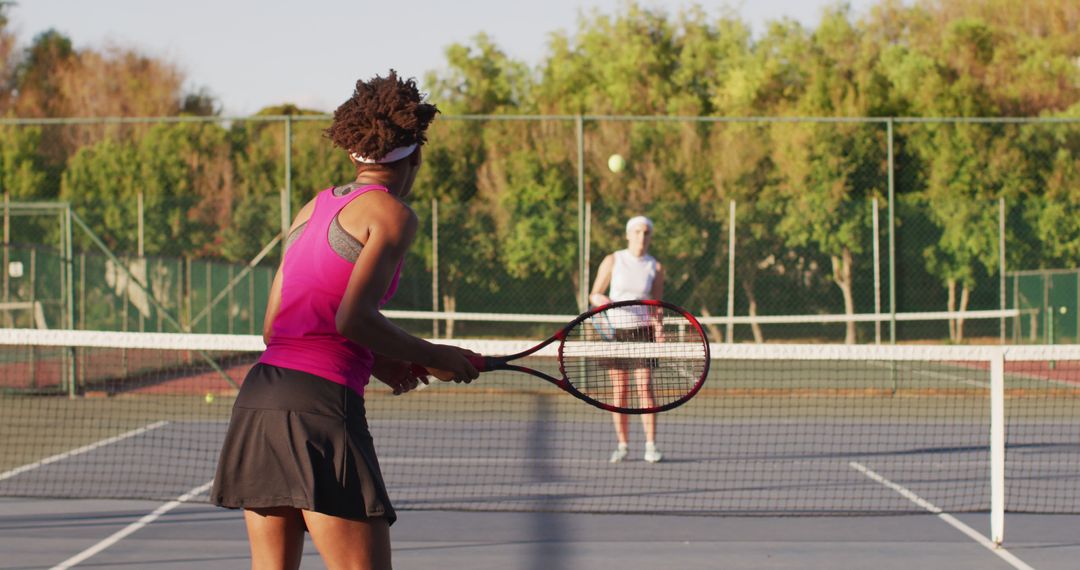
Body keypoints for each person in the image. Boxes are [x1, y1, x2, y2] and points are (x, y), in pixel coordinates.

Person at [211, 71, 479, 570]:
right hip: (320, 408)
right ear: (416, 153)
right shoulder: (394, 215)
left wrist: (380, 362)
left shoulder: (313, 207)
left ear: (353, 150)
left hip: (261, 399)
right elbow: (352, 316)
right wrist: (435, 355)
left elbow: (276, 328)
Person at [588, 215, 665, 464]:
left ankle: (650, 446)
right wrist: (603, 301)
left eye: (646, 233)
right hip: (615, 333)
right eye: (637, 232)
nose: (642, 237)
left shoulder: (655, 266)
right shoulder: (613, 260)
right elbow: (594, 293)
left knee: (645, 388)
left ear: (650, 236)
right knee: (620, 391)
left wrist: (659, 327)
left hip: (642, 333)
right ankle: (622, 445)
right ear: (628, 234)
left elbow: (657, 305)